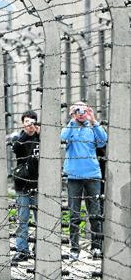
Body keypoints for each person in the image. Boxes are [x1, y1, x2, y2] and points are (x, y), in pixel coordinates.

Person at [61, 101, 107, 261]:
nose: (81, 113)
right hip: (74, 176)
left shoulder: (92, 127)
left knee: (95, 214)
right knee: (74, 215)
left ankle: (96, 248)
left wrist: (93, 120)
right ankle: (74, 248)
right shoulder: (71, 127)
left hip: (92, 175)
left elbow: (103, 141)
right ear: (73, 112)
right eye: (77, 110)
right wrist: (72, 120)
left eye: (83, 109)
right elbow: (62, 137)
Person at [11, 110, 40, 262]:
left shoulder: (41, 137)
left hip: (39, 184)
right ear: (23, 123)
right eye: (27, 122)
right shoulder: (19, 138)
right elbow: (16, 149)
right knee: (22, 220)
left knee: (40, 220)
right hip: (22, 184)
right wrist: (25, 133)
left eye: (32, 122)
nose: (30, 126)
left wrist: (39, 134)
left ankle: (40, 248)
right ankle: (22, 250)